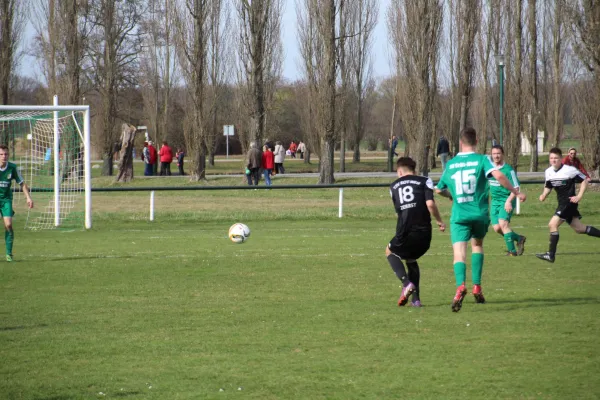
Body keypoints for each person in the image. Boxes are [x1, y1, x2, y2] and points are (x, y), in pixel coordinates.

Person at [435, 127, 526, 312]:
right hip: (479, 214)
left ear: (460, 142)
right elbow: (499, 175)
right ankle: (477, 286)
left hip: (459, 216)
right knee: (477, 245)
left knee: (459, 253)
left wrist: (451, 196)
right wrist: (515, 192)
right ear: (476, 141)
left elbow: (438, 189)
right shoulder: (482, 159)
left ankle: (461, 286)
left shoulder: (450, 164)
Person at [386, 157, 446, 307]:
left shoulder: (393, 186)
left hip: (405, 230)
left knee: (389, 251)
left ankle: (406, 283)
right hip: (424, 232)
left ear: (399, 171)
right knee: (411, 259)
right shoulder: (424, 180)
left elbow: (399, 211)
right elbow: (430, 203)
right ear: (414, 170)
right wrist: (439, 221)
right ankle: (416, 300)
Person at [536, 147, 600, 263]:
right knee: (579, 229)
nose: (553, 160)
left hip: (569, 203)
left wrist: (579, 196)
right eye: (551, 158)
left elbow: (584, 180)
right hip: (562, 203)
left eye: (556, 158)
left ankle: (551, 255)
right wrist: (544, 195)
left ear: (561, 159)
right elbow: (549, 186)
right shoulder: (548, 172)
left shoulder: (570, 170)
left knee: (552, 224)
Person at [489, 145, 526, 256]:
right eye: (494, 153)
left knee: (503, 224)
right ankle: (519, 238)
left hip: (506, 200)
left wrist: (509, 201)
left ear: (503, 154)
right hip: (495, 202)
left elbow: (516, 187)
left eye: (498, 153)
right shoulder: (490, 169)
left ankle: (512, 252)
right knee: (497, 228)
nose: (496, 156)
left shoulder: (508, 170)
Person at [0, 145, 34, 262]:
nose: (4, 156)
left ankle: (9, 254)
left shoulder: (12, 168)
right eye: (1, 154)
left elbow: (22, 183)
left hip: (6, 200)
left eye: (6, 154)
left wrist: (28, 198)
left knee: (8, 225)